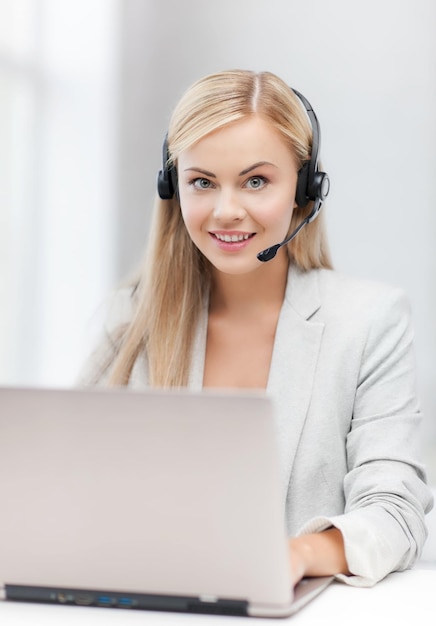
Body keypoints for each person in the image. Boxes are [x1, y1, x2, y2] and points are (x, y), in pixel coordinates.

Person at [80, 69, 433, 587]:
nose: (226, 211)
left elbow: (396, 510)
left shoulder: (370, 321)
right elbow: (73, 491)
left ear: (304, 190)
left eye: (256, 181)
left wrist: (296, 556)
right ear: (172, 188)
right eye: (202, 182)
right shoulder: (130, 320)